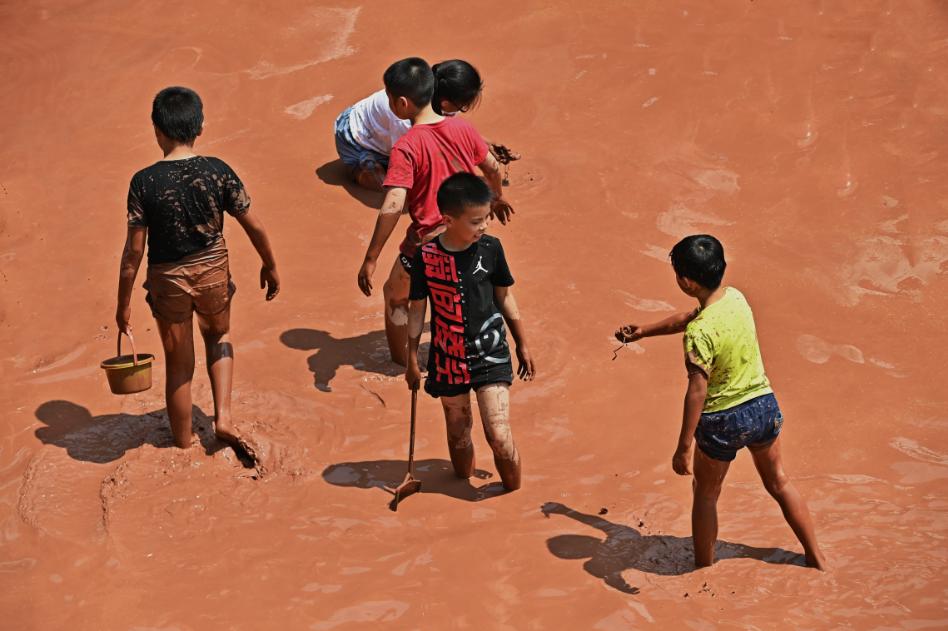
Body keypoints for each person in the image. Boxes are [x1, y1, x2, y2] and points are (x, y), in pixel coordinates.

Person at [615, 235, 826, 570]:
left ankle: (703, 569)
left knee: (706, 493)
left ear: (686, 282)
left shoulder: (698, 334)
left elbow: (697, 391)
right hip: (763, 407)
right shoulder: (735, 298)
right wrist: (646, 330)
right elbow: (690, 317)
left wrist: (683, 447)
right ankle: (817, 557)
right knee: (779, 482)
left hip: (723, 420)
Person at [115, 86, 280, 454]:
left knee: (178, 365)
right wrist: (270, 265)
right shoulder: (217, 171)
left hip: (168, 279)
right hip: (212, 272)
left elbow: (133, 253)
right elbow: (254, 225)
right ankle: (224, 419)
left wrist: (123, 304)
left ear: (157, 129)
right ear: (200, 126)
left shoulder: (143, 182)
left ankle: (182, 444)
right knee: (219, 337)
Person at [357, 57, 514, 366]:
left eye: (389, 97)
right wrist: (497, 197)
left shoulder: (406, 147)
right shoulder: (464, 128)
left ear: (402, 103)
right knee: (463, 297)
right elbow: (493, 167)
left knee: (395, 295)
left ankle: (402, 363)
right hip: (470, 234)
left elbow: (393, 204)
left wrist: (371, 257)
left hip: (427, 244)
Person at [405, 173, 535, 491]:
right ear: (448, 220)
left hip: (490, 352)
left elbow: (505, 297)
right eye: (476, 221)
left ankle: (512, 499)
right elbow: (417, 309)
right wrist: (411, 359)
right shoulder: (426, 257)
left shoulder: (492, 249)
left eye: (487, 218)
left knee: (499, 435)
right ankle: (463, 487)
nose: (485, 226)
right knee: (458, 433)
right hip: (447, 358)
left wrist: (522, 343)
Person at [333, 58, 520, 192]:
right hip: (355, 137)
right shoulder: (403, 115)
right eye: (461, 107)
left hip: (386, 136)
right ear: (445, 103)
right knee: (393, 187)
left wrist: (484, 145)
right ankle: (357, 167)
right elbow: (410, 155)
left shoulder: (440, 92)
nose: (460, 110)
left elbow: (448, 128)